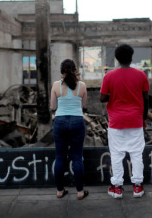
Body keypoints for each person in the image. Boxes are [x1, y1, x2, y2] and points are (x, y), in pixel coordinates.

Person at [100, 44, 149, 199]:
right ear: (131, 57)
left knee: (116, 154)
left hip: (116, 122)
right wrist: (144, 118)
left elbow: (102, 98)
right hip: (136, 120)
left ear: (116, 58)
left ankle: (117, 188)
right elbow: (146, 100)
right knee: (136, 154)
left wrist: (113, 93)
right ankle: (137, 187)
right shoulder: (141, 75)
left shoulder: (109, 76)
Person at [50, 59, 89, 200]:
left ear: (62, 71)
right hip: (77, 121)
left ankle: (60, 191)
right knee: (77, 157)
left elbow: (53, 107)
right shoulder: (82, 86)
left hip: (60, 121)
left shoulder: (56, 85)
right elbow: (82, 105)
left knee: (60, 157)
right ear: (74, 69)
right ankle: (80, 192)